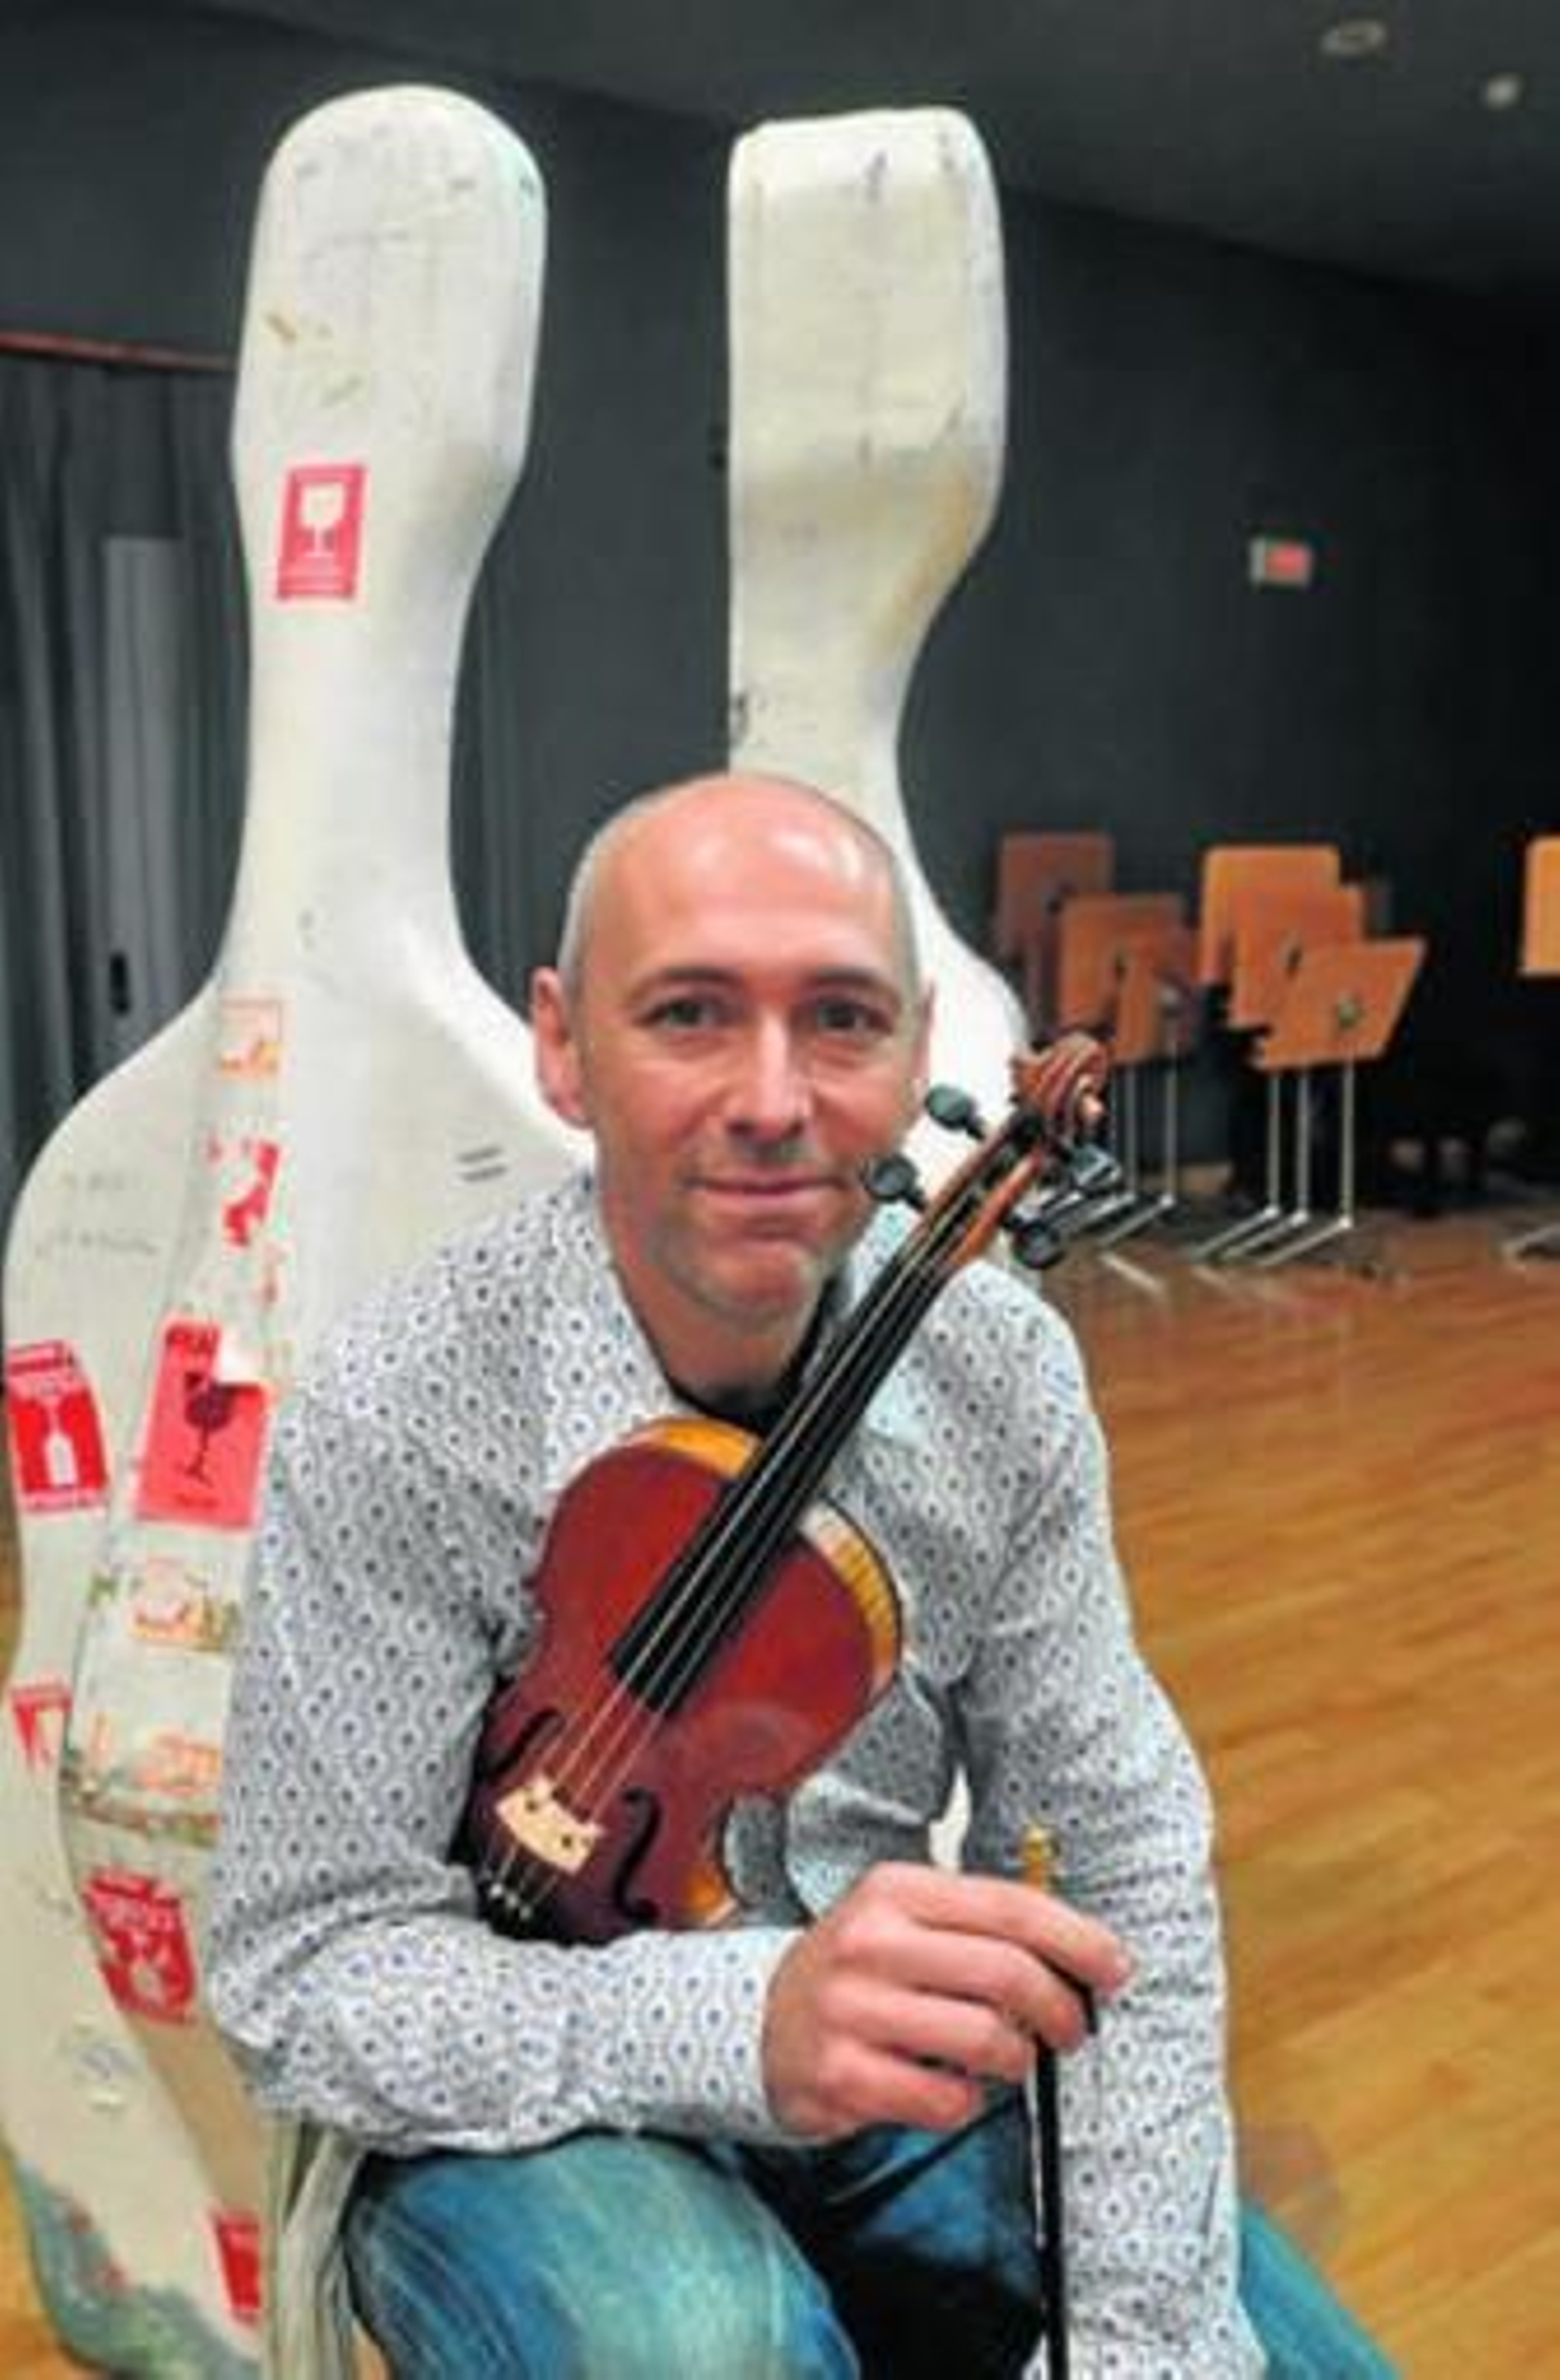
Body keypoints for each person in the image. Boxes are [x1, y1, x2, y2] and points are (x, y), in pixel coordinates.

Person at [204, 770, 1263, 2376]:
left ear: (919, 1055)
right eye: (689, 1013)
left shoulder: (1002, 1379)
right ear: (562, 1046)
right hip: (514, 2096)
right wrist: (738, 2025)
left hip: (895, 2087)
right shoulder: (409, 1400)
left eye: (840, 1021)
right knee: (710, 2348)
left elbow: (1121, 1848)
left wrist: (1135, 2342)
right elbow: (301, 1967)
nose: (773, 1099)